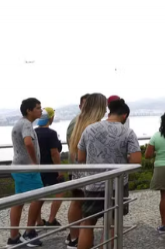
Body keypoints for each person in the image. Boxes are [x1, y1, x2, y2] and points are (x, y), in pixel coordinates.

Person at [77, 98, 141, 249]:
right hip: (117, 185)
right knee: (112, 223)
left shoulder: (89, 129)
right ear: (124, 115)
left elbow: (80, 157)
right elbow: (136, 160)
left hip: (93, 183)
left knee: (87, 222)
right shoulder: (128, 132)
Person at [66, 93, 108, 249]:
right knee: (88, 214)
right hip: (89, 172)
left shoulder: (77, 122)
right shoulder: (93, 125)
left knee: (79, 205)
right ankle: (77, 238)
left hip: (79, 169)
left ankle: (75, 237)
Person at [7, 98, 44, 247]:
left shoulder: (20, 123)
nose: (41, 110)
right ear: (29, 110)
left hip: (18, 168)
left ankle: (14, 237)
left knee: (19, 202)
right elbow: (28, 142)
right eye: (38, 108)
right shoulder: (27, 124)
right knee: (40, 196)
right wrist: (35, 163)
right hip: (27, 169)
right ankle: (29, 232)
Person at [35, 107, 66, 227]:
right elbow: (54, 153)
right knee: (61, 191)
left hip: (37, 168)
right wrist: (60, 170)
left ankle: (38, 221)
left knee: (37, 195)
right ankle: (51, 219)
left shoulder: (33, 132)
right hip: (51, 168)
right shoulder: (51, 134)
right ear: (51, 118)